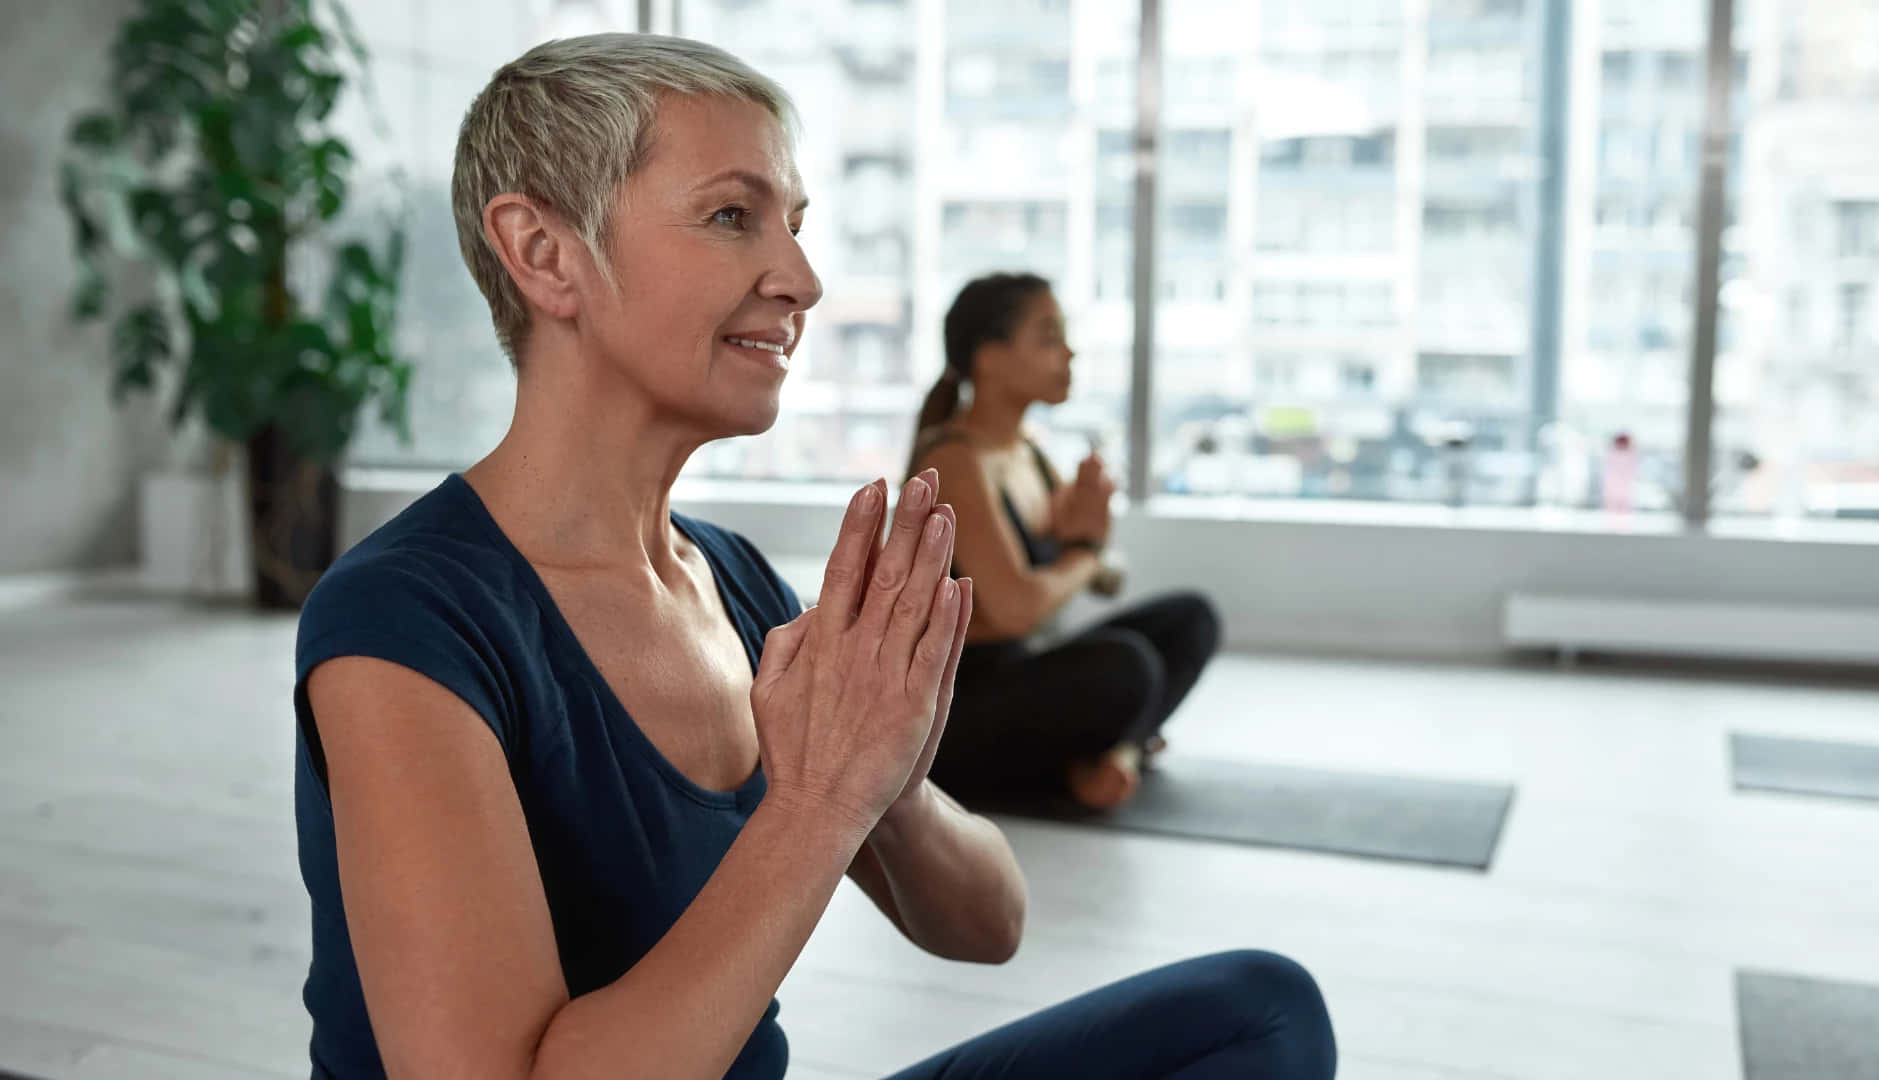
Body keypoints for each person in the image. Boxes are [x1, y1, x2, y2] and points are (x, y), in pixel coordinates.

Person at [293, 34, 1334, 1079]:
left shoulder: (737, 585)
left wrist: (890, 780)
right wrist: (817, 805)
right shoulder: (403, 624)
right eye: (731, 216)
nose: (802, 279)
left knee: (1260, 1015)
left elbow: (989, 925)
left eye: (793, 226)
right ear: (546, 253)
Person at [908, 274, 1223, 811]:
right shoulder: (954, 461)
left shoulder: (1028, 453)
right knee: (1128, 666)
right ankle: (1101, 757)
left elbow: (1104, 579)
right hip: (959, 708)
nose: (1069, 352)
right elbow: (1014, 610)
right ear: (990, 358)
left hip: (1024, 670)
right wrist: (1085, 552)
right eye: (1049, 337)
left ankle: (1118, 755)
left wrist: (1083, 533)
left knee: (1192, 617)